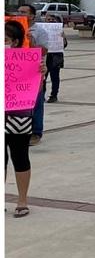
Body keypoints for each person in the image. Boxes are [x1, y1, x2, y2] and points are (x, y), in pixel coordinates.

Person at [5, 20, 46, 217]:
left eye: (4, 39)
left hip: (17, 116)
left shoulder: (26, 60)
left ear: (14, 42)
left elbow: (35, 93)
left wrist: (40, 75)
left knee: (19, 156)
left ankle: (22, 200)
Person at [17, 4, 48, 145]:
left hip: (34, 72)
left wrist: (31, 40)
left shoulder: (39, 31)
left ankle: (36, 132)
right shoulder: (11, 30)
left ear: (31, 16)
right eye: (18, 12)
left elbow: (43, 51)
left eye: (23, 12)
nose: (20, 14)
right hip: (16, 72)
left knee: (36, 103)